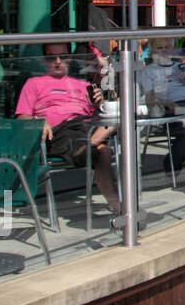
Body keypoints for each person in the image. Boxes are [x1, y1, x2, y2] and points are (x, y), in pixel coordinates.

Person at [16, 43, 120, 214]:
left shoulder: (81, 84)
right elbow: (21, 118)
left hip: (86, 126)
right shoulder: (33, 83)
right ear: (44, 60)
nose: (57, 61)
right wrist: (38, 121)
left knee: (118, 112)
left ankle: (89, 145)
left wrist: (99, 103)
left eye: (63, 57)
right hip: (59, 131)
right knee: (104, 152)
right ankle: (117, 205)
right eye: (51, 57)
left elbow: (93, 114)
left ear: (70, 58)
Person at [137, 39, 185, 171]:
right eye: (160, 47)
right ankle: (173, 162)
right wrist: (170, 104)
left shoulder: (183, 67)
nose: (164, 50)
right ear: (153, 51)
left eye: (167, 47)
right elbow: (150, 97)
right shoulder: (149, 70)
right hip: (169, 108)